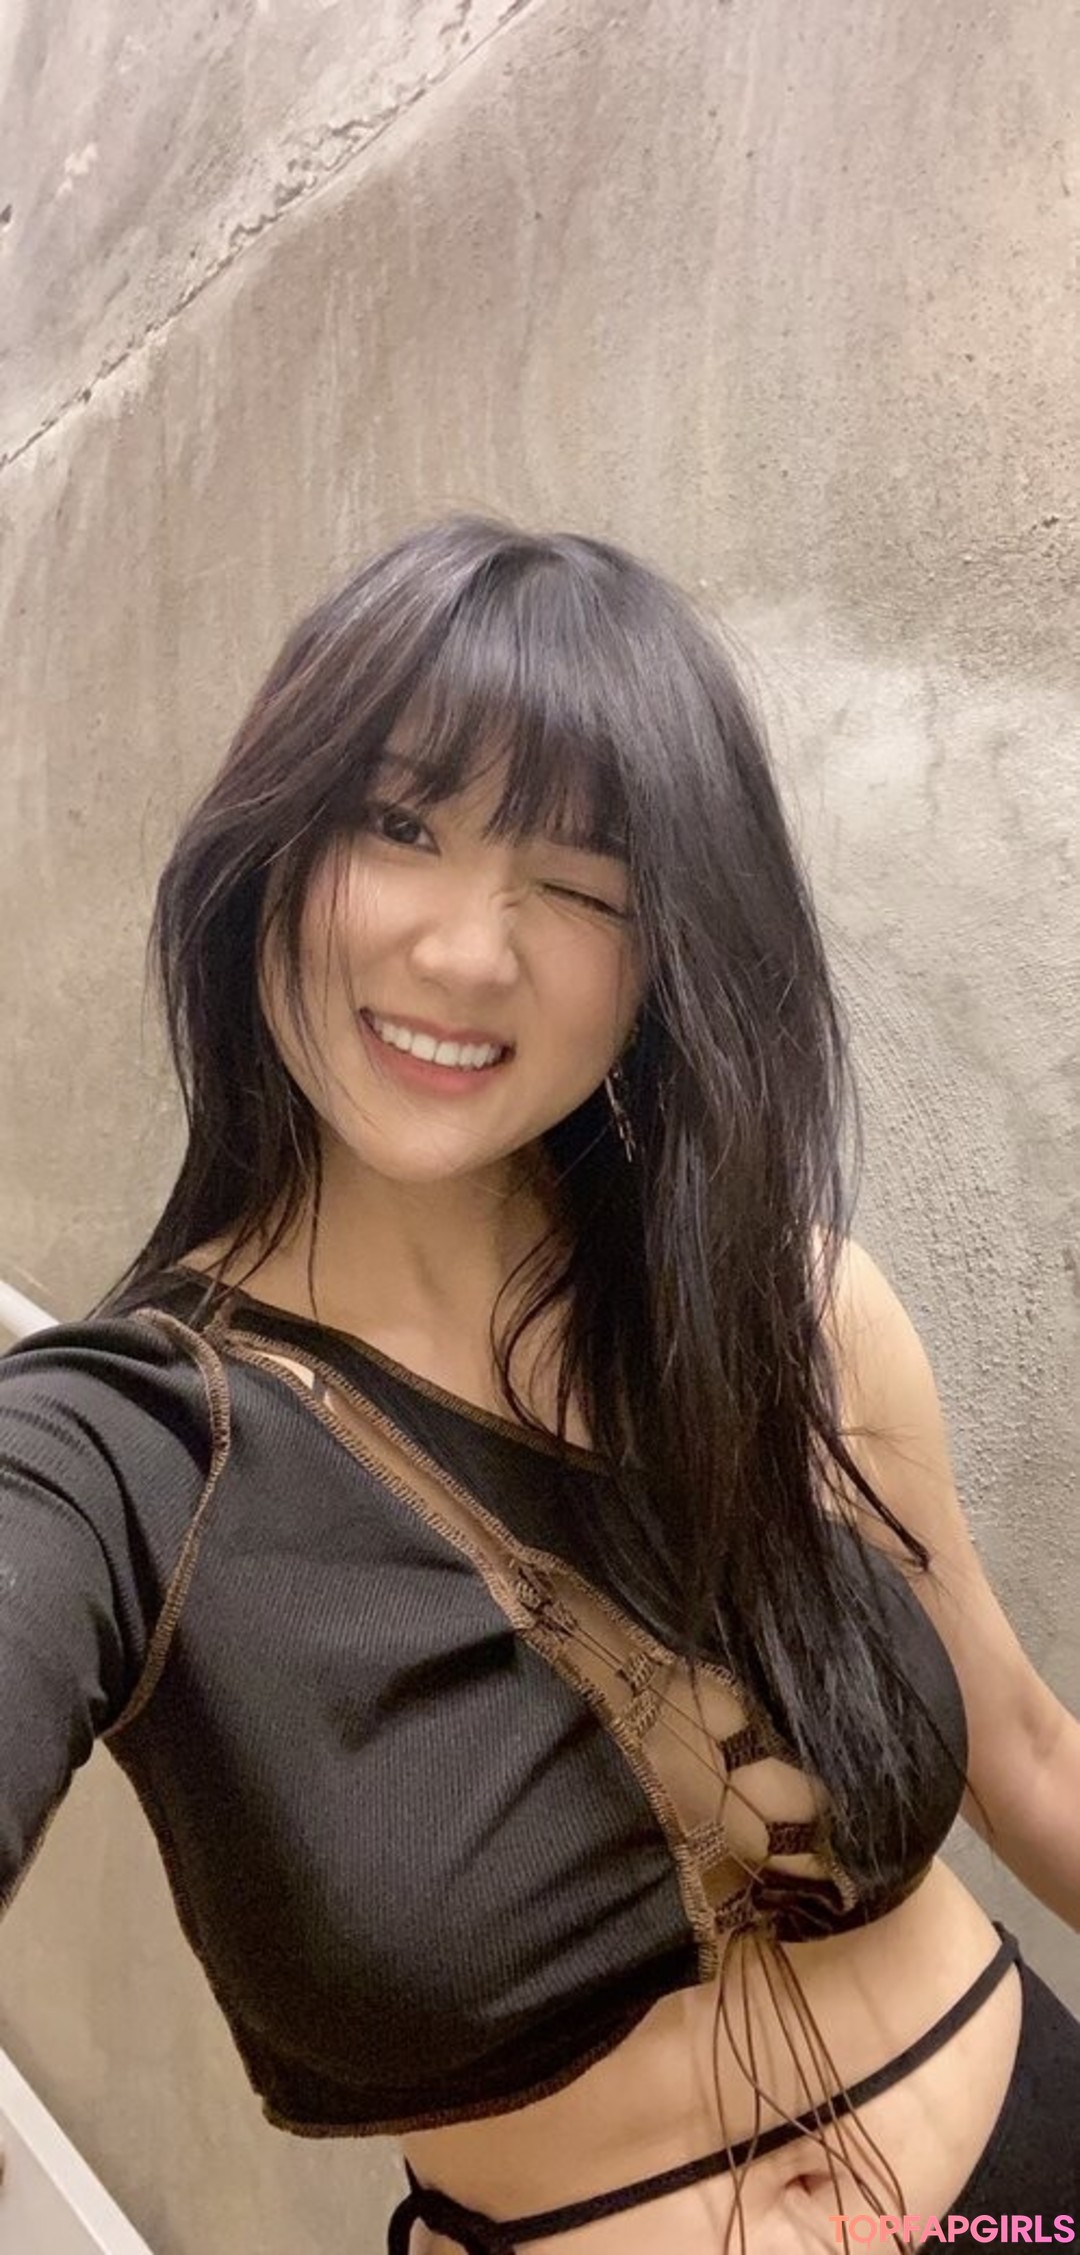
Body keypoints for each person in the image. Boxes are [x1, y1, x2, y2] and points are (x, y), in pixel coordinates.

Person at [1, 516, 1078, 2255]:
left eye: (580, 883)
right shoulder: (123, 1455)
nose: (468, 950)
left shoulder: (794, 1310)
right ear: (272, 848)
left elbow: (1027, 1754)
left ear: (666, 952)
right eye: (399, 826)